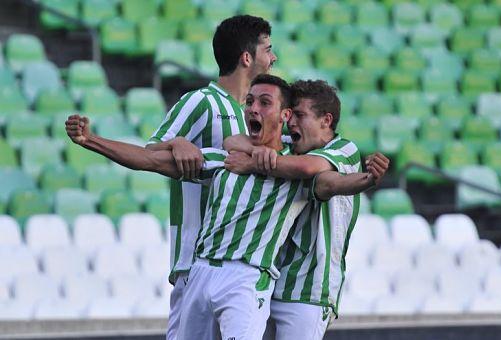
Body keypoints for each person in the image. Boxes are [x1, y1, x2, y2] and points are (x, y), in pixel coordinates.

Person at [65, 74, 383, 339]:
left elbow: (329, 182)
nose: (253, 109)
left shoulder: (299, 169)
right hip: (201, 270)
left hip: (249, 279)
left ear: (284, 116)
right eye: (250, 102)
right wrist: (90, 141)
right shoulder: (228, 157)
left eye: (264, 102)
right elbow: (150, 160)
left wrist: (367, 179)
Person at [222, 79, 389, 340]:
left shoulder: (343, 149)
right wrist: (261, 154)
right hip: (269, 284)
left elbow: (317, 175)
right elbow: (232, 141)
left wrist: (368, 180)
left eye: (300, 115)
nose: (291, 123)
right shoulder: (291, 145)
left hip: (309, 291)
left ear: (326, 120)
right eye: (291, 115)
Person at [144, 15, 276, 340]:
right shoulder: (201, 102)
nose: (273, 58)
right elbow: (152, 150)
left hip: (243, 267)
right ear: (247, 57)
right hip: (195, 261)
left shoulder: (258, 114)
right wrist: (177, 142)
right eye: (268, 50)